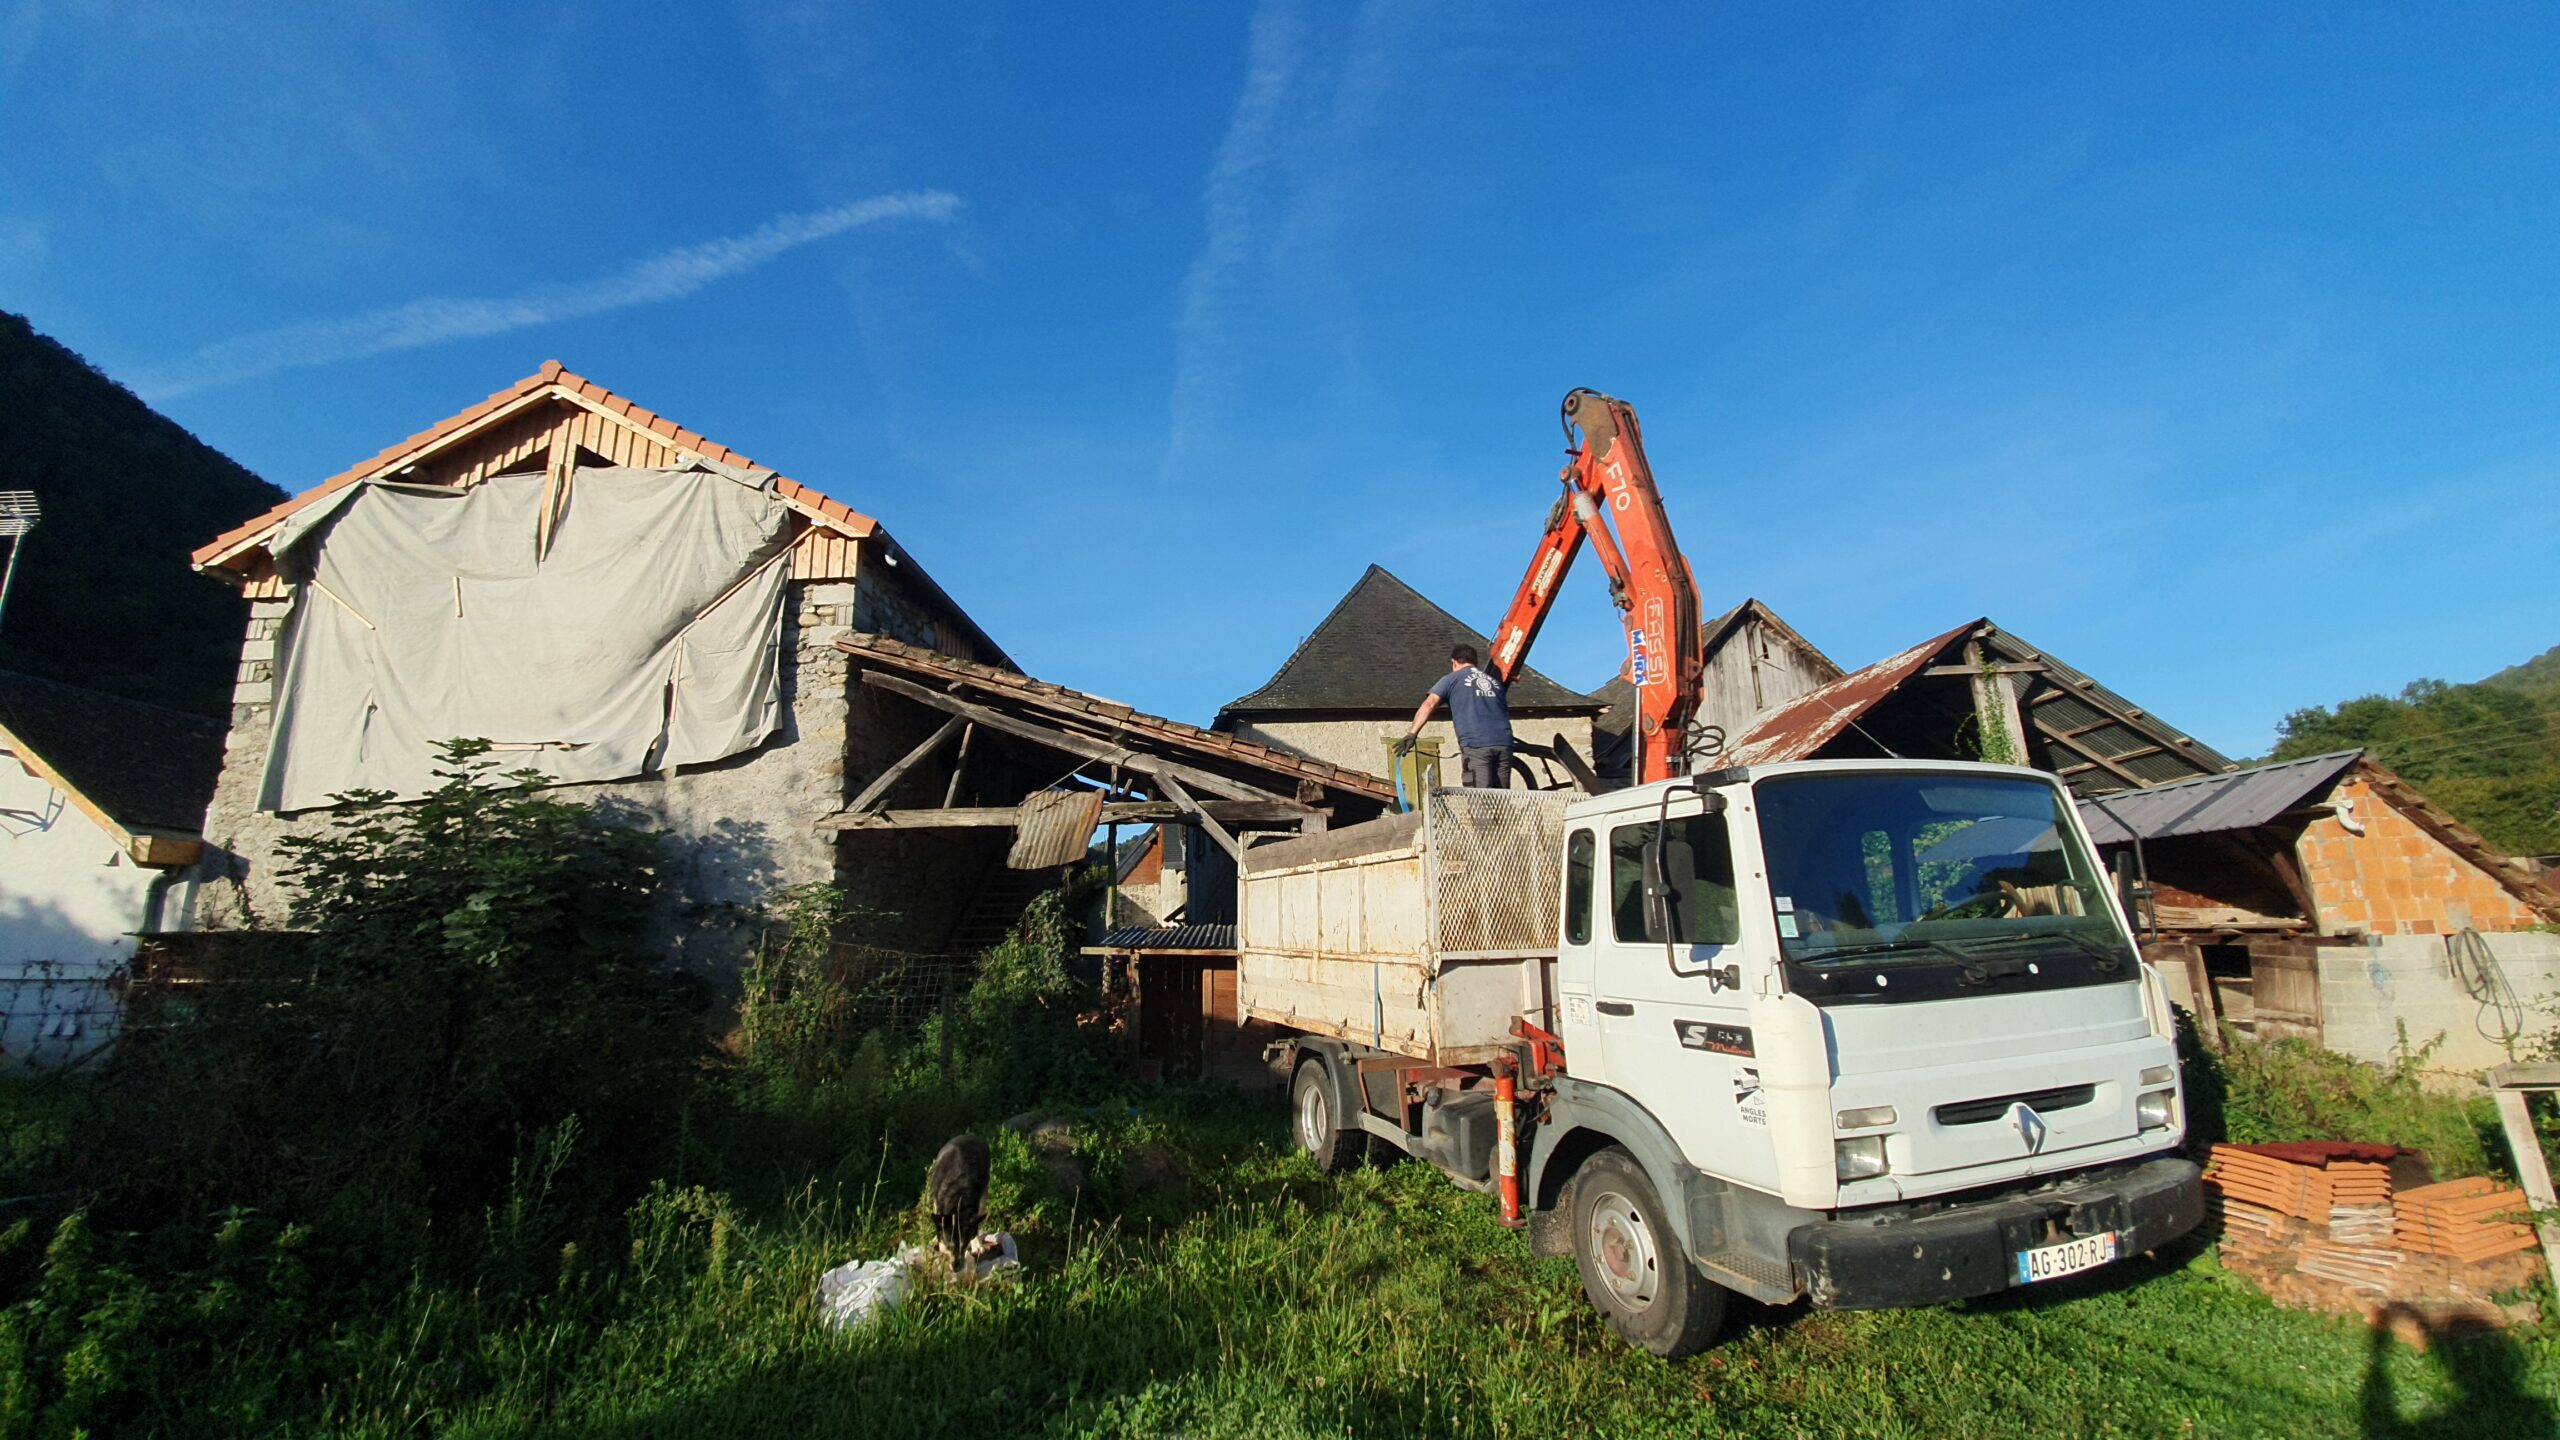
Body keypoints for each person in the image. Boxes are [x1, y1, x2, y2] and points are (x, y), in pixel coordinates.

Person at [1397, 644, 1514, 788]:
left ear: (1454, 662)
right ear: (1476, 662)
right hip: (1504, 744)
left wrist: (1412, 734)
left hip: (1477, 746)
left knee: (1481, 799)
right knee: (1501, 800)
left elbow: (1430, 703)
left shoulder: (1452, 679)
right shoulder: (1494, 682)